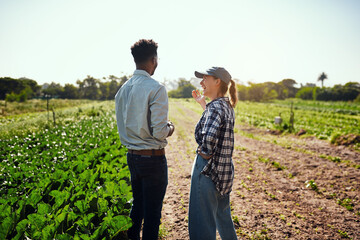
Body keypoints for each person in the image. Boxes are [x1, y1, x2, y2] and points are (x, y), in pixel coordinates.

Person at [115, 39, 175, 240]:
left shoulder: (122, 90)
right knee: (152, 215)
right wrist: (170, 127)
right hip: (153, 159)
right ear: (154, 60)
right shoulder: (156, 88)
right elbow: (159, 132)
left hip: (132, 157)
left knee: (137, 207)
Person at [188, 67, 238, 240]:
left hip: (208, 170)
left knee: (201, 223)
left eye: (205, 79)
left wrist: (204, 152)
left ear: (217, 81)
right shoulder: (226, 105)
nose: (201, 82)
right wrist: (203, 104)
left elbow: (209, 139)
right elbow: (217, 126)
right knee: (223, 218)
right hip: (223, 172)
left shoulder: (215, 108)